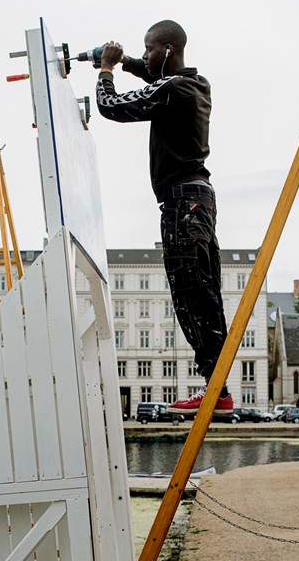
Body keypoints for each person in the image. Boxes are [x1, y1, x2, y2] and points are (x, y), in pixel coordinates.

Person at [95, 20, 231, 416]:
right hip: (200, 200)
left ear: (168, 49)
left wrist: (107, 70)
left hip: (181, 204)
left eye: (150, 48)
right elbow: (153, 73)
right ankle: (217, 387)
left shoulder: (172, 90)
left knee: (189, 293)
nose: (147, 54)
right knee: (205, 293)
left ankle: (215, 389)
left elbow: (112, 107)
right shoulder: (197, 84)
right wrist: (129, 63)